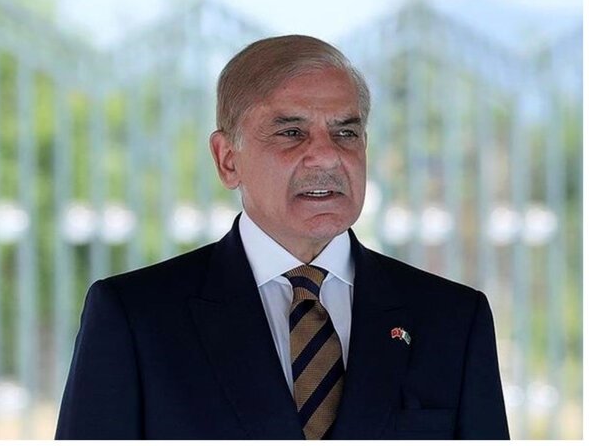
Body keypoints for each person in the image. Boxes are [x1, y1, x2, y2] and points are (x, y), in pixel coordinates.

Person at [55, 35, 510, 440]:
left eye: (345, 132)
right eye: (291, 132)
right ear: (227, 159)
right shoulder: (136, 319)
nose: (326, 156)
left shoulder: (452, 320)